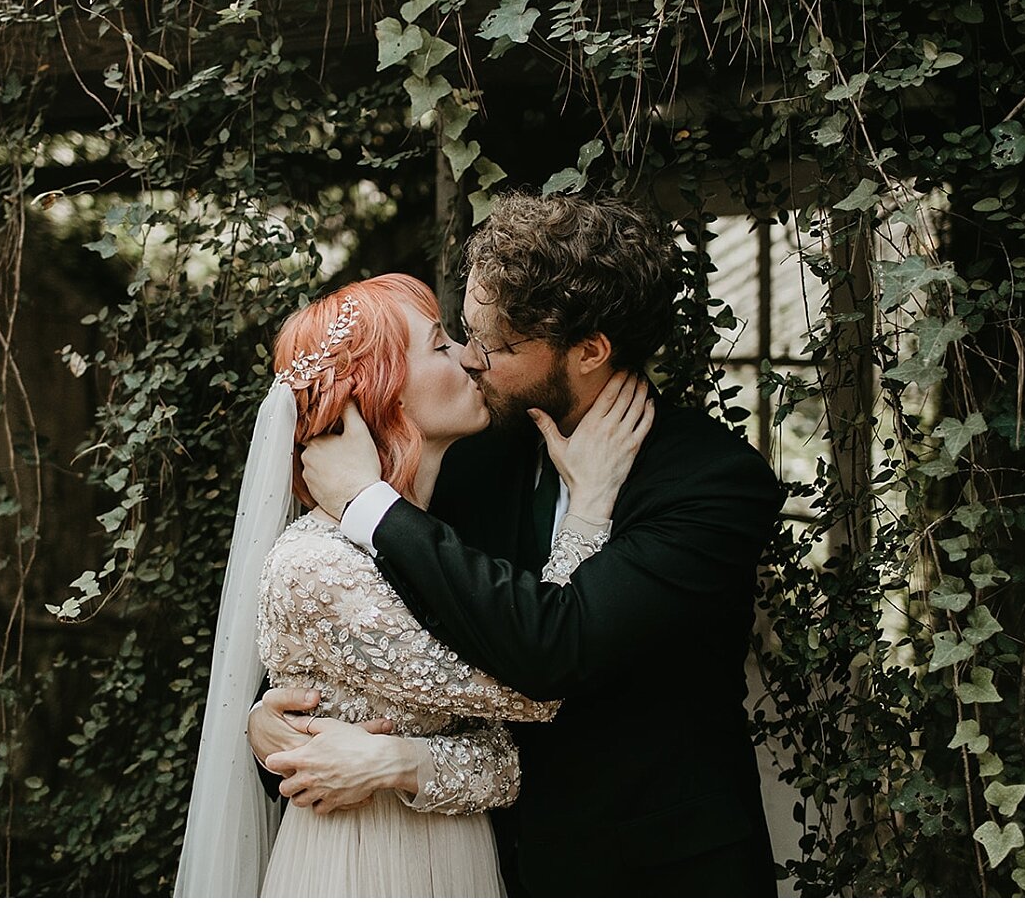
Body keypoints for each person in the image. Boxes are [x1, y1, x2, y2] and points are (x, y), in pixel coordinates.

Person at [251, 193, 785, 896]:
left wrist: (366, 501)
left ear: (588, 350)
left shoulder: (711, 484)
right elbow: (358, 647)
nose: (470, 359)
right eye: (462, 333)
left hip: (653, 872)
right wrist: (270, 727)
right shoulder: (469, 451)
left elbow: (555, 650)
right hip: (479, 861)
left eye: (494, 345)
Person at [174, 272, 652, 897]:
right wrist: (588, 512)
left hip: (461, 859)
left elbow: (501, 762)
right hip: (361, 867)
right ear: (387, 394)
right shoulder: (317, 565)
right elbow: (535, 690)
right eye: (440, 344)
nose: (470, 357)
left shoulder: (443, 522)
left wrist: (398, 762)